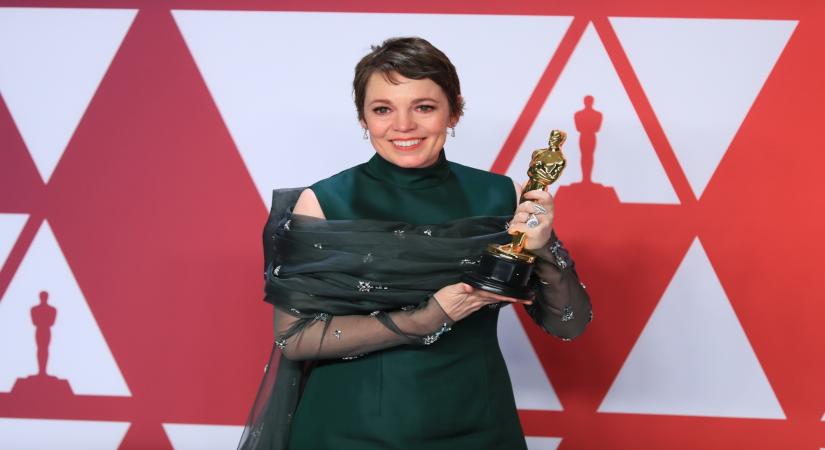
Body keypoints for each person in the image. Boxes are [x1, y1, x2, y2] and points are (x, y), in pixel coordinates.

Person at [238, 36, 592, 450]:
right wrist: (427, 317)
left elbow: (569, 323)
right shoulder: (324, 202)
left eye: (423, 107)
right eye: (383, 109)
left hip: (478, 426)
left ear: (454, 111)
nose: (403, 125)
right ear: (363, 119)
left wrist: (544, 247)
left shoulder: (503, 195)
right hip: (346, 429)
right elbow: (294, 338)